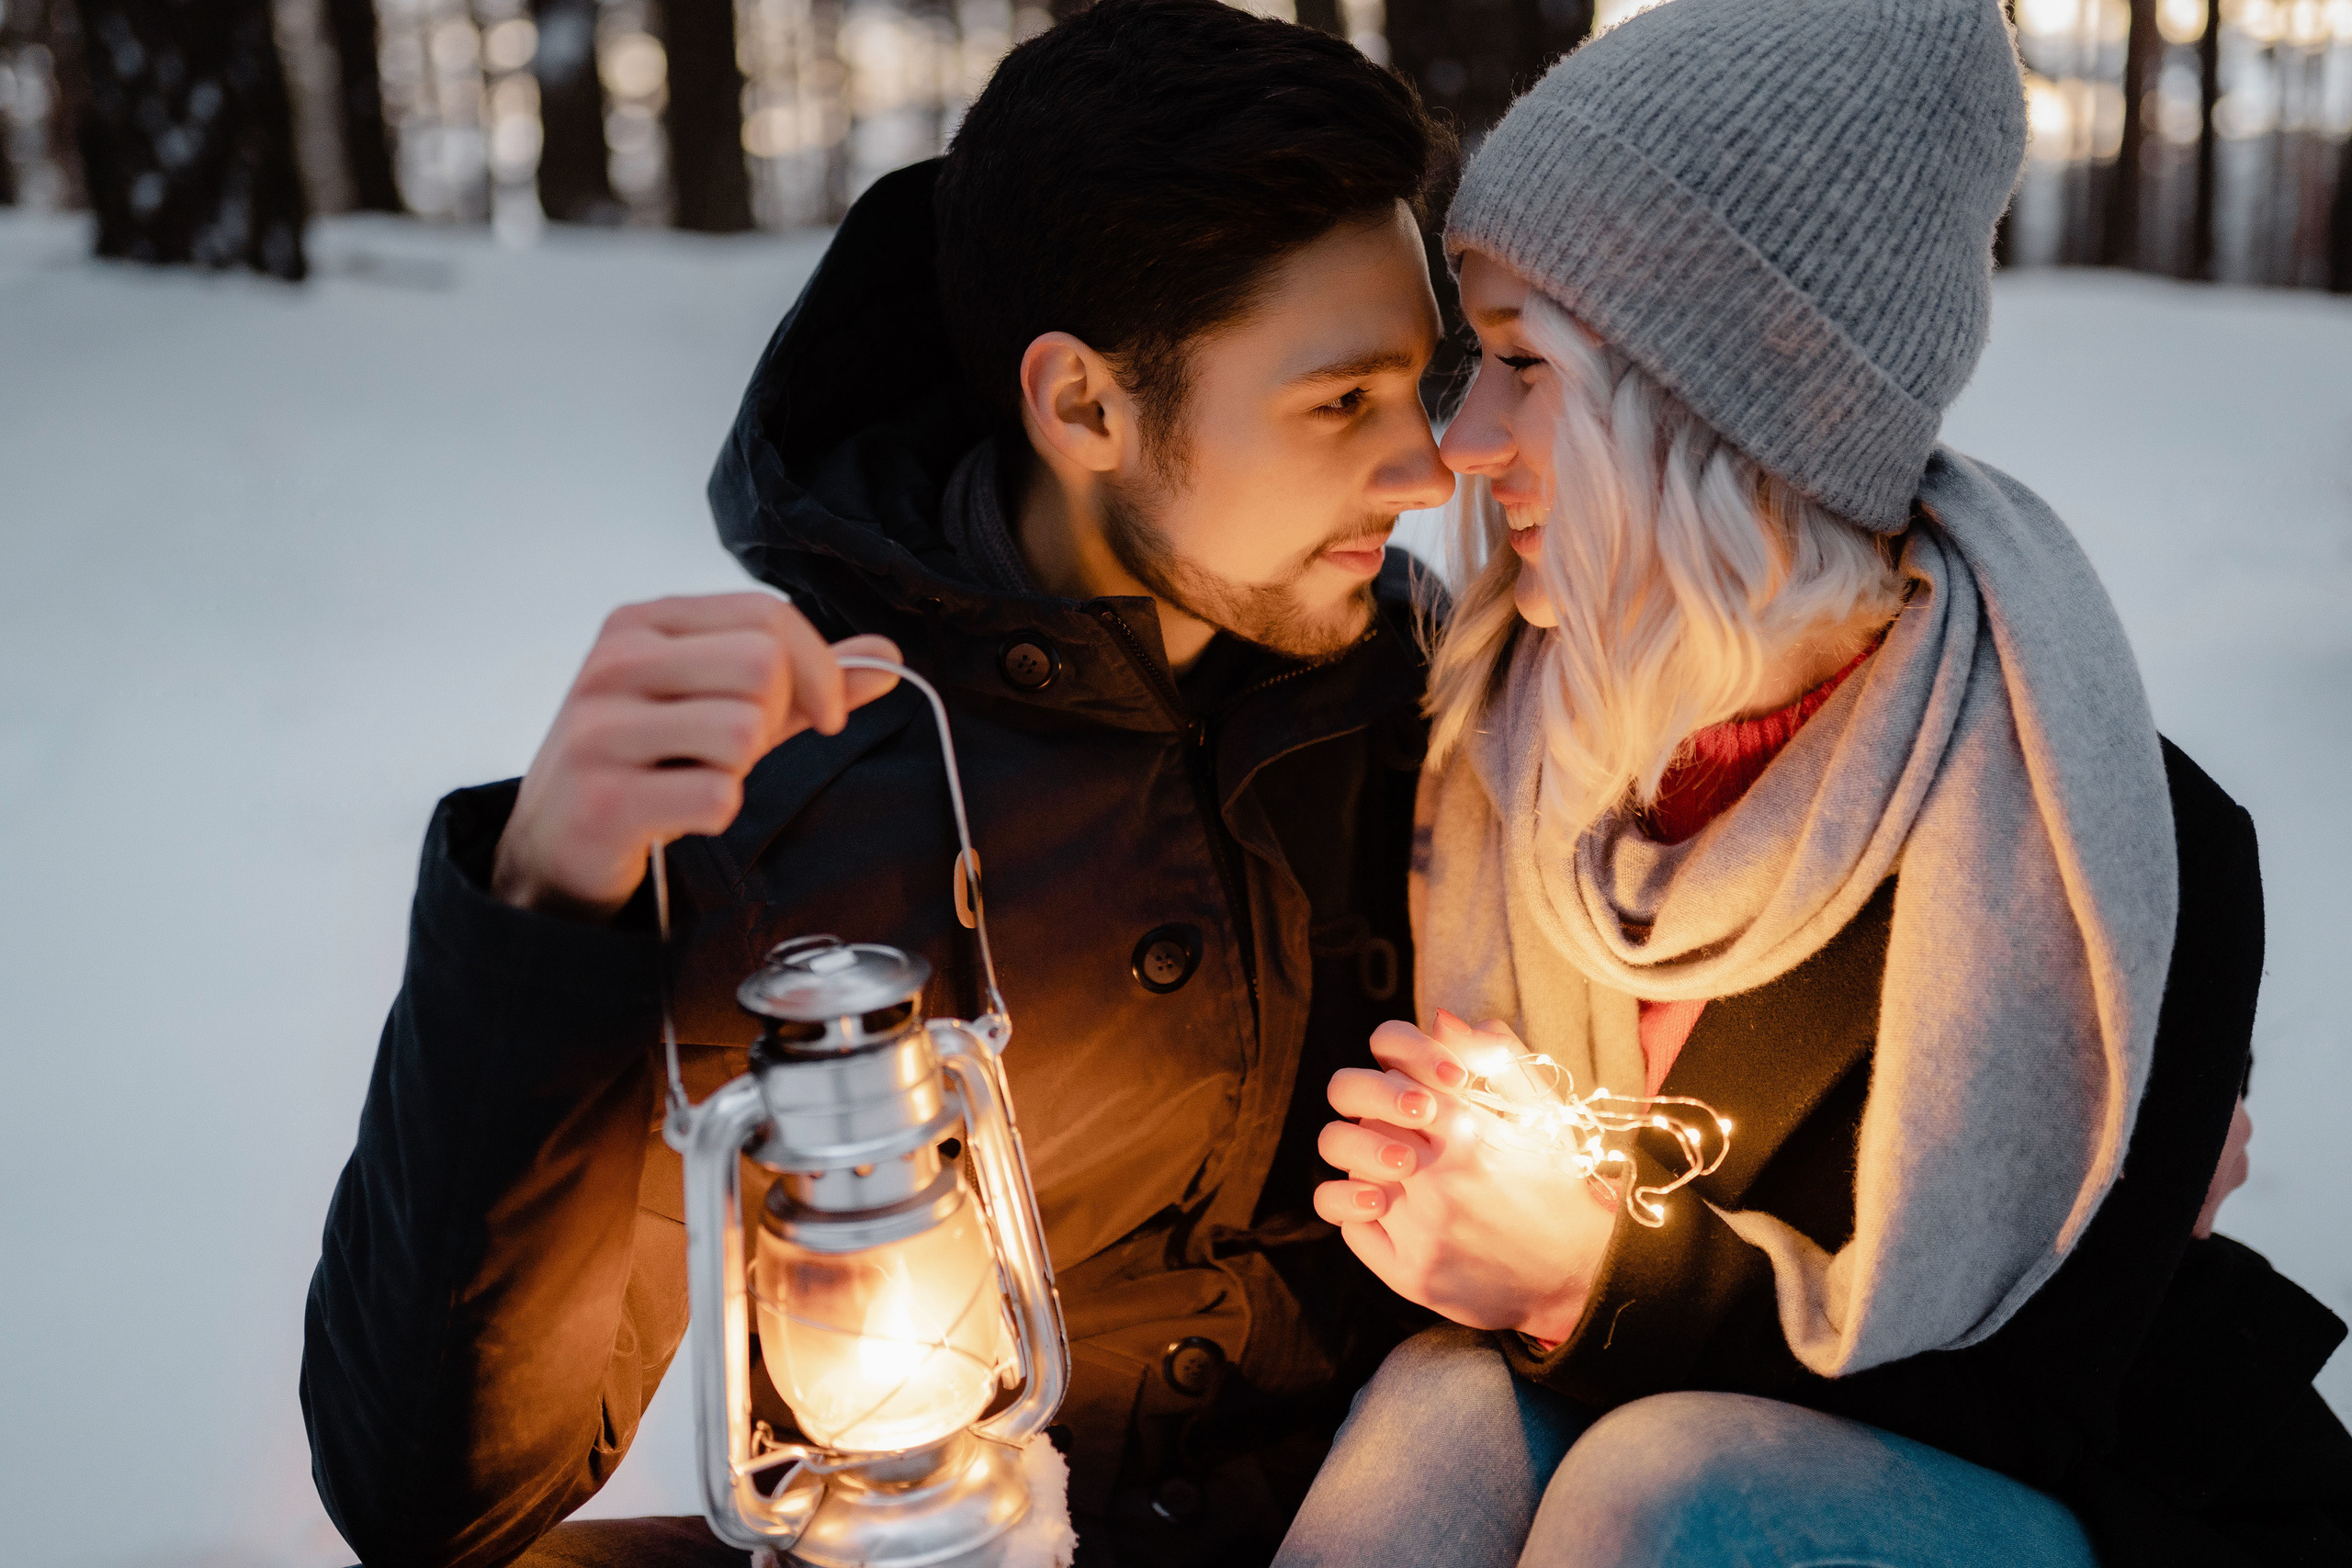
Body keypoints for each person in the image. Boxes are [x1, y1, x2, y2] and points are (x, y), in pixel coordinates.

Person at [300, 6, 1457, 1565]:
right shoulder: (796, 804)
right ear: (1085, 408)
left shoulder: (1441, 692)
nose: (1426, 469)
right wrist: (543, 909)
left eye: (1422, 388)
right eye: (1342, 401)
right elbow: (439, 1498)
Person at [1281, 2, 2352, 1565]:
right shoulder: (1482, 739)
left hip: (2039, 1504)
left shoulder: (2099, 840)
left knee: (1667, 1478)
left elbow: (2043, 1401)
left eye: (1521, 362)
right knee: (1444, 1403)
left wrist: (1592, 1278)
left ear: (1714, 403)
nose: (1465, 437)